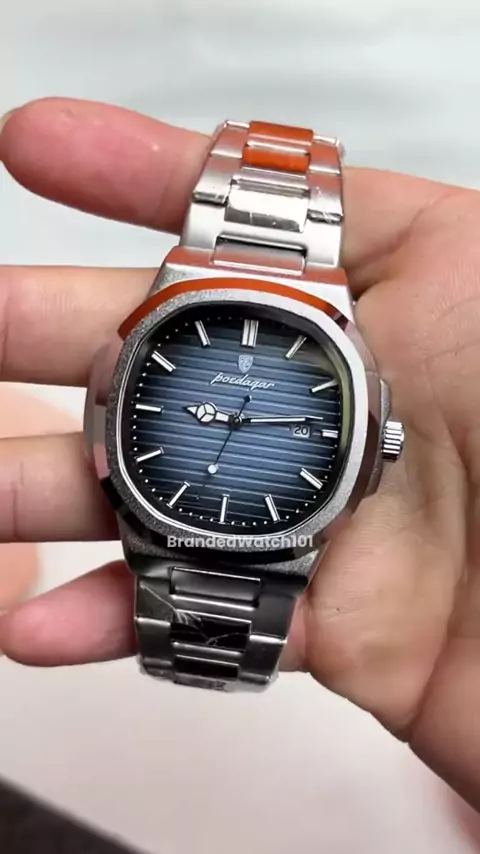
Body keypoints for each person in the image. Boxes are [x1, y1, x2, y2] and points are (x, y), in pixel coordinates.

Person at [0, 97, 479, 810]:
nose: (228, 416)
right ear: (110, 395)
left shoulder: (338, 357)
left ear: (376, 443)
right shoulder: (147, 378)